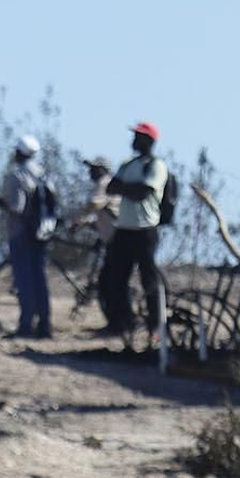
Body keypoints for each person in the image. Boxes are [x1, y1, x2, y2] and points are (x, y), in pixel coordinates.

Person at [100, 121, 168, 347]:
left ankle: (155, 327)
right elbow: (111, 187)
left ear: (148, 141)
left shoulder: (156, 166)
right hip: (124, 229)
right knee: (115, 279)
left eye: (138, 136)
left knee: (149, 280)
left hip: (145, 230)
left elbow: (143, 192)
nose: (133, 140)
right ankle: (123, 323)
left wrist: (125, 188)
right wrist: (130, 188)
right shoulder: (127, 164)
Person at [0, 135, 52, 339]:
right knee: (40, 278)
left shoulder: (16, 175)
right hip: (41, 233)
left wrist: (0, 203)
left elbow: (17, 208)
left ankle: (26, 325)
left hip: (21, 233)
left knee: (24, 280)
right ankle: (45, 324)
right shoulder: (42, 173)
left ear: (19, 152)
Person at [72, 158, 119, 322]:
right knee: (106, 277)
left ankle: (117, 319)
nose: (90, 172)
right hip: (109, 235)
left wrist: (75, 219)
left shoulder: (104, 183)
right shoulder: (109, 183)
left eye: (94, 168)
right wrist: (83, 223)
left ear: (103, 170)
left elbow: (94, 204)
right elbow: (102, 212)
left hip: (114, 238)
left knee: (108, 280)